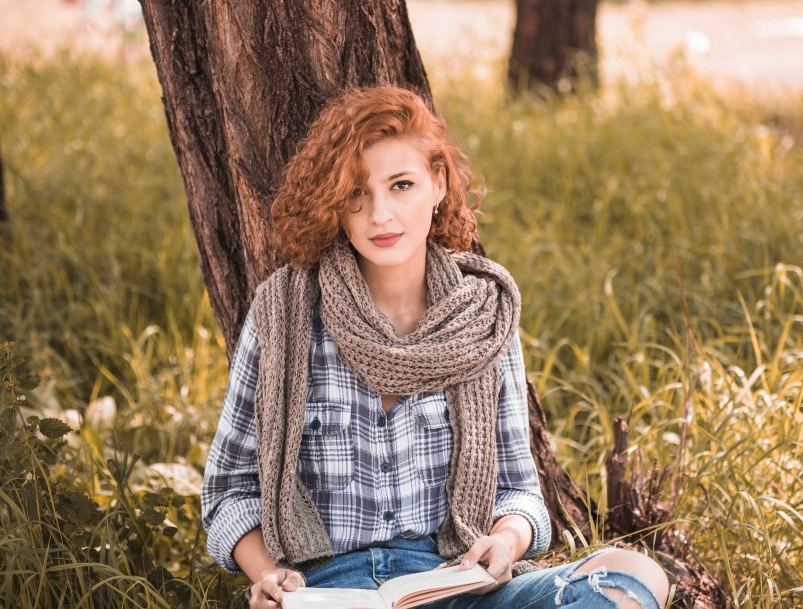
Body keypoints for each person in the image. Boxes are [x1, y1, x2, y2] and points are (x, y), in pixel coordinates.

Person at [201, 86, 670, 609]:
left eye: (401, 185)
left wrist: (507, 540)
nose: (381, 215)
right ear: (336, 203)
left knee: (633, 575)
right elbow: (229, 493)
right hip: (328, 591)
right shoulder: (283, 313)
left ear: (439, 184)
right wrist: (269, 578)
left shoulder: (483, 316)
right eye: (357, 193)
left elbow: (520, 492)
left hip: (454, 581)